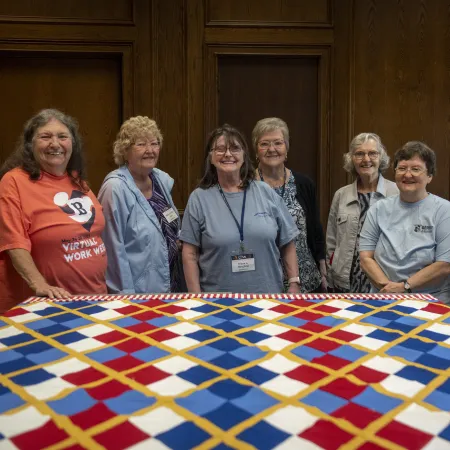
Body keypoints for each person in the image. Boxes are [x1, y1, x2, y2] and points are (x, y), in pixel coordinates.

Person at [0, 109, 107, 313]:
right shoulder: (14, 182)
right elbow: (14, 243)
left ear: (72, 144)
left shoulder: (77, 180)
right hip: (46, 305)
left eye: (62, 136)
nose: (55, 144)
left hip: (95, 297)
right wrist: (39, 284)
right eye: (45, 136)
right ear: (30, 144)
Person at [180, 124, 300, 293]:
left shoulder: (265, 192)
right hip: (217, 303)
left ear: (244, 155)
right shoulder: (199, 198)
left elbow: (287, 243)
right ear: (211, 157)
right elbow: (190, 254)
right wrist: (196, 297)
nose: (228, 154)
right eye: (220, 149)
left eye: (235, 148)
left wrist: (294, 282)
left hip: (268, 299)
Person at [98, 116, 181, 294]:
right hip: (138, 294)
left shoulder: (161, 181)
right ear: (125, 151)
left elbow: (165, 228)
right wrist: (126, 298)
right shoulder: (115, 189)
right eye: (141, 144)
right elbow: (112, 251)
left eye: (154, 143)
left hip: (171, 284)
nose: (150, 150)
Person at [360, 141, 450, 303]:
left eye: (416, 169)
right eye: (402, 168)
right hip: (383, 295)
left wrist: (405, 287)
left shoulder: (444, 211)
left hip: (430, 300)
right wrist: (388, 288)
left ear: (430, 176)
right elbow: (366, 257)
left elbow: (444, 264)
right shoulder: (378, 208)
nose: (407, 175)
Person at [252, 117, 327, 293]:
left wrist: (322, 269)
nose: (272, 149)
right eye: (264, 144)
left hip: (306, 279)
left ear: (286, 148)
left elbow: (315, 228)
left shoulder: (304, 183)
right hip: (265, 279)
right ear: (256, 150)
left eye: (278, 143)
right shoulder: (246, 186)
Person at [326, 133, 398, 292]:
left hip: (383, 282)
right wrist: (332, 272)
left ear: (381, 158)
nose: (366, 159)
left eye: (372, 153)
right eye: (359, 154)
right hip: (344, 282)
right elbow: (332, 241)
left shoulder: (396, 193)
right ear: (351, 159)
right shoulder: (341, 195)